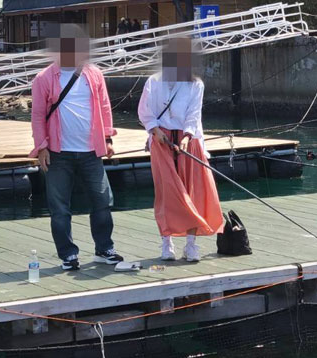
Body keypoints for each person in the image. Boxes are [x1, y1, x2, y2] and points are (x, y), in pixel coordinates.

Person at [30, 26, 122, 271]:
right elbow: (37, 115)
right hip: (58, 152)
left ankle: (104, 249)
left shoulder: (94, 74)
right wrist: (42, 147)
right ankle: (68, 255)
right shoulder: (44, 78)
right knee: (60, 208)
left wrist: (108, 139)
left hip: (91, 151)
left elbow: (104, 107)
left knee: (103, 201)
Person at [138, 37, 223, 262]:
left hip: (188, 141)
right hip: (161, 140)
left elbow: (194, 114)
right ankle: (167, 242)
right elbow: (144, 111)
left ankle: (191, 244)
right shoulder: (154, 82)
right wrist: (155, 130)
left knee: (191, 191)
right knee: (166, 192)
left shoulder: (195, 84)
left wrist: (186, 137)